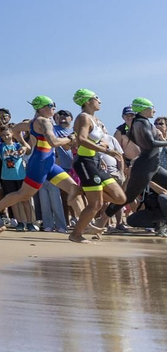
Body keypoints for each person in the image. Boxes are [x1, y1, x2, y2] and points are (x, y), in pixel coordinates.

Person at [0, 96, 82, 223]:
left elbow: (15, 129)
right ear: (41, 108)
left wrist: (24, 143)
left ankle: (85, 223)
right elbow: (53, 142)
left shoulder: (33, 122)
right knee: (23, 194)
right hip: (40, 163)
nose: (54, 108)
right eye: (52, 106)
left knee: (74, 189)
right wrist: (70, 138)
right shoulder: (43, 122)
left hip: (49, 163)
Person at [65, 90, 127, 242]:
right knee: (96, 204)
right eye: (96, 98)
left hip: (97, 162)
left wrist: (102, 146)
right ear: (87, 101)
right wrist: (105, 150)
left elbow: (95, 140)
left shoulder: (95, 119)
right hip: (85, 162)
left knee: (120, 198)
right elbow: (81, 139)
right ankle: (76, 234)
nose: (100, 101)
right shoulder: (83, 118)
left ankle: (80, 190)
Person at [120, 99, 167, 234]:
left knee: (163, 198)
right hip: (153, 187)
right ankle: (160, 223)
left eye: (161, 124)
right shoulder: (148, 141)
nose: (158, 125)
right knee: (132, 220)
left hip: (162, 190)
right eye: (156, 123)